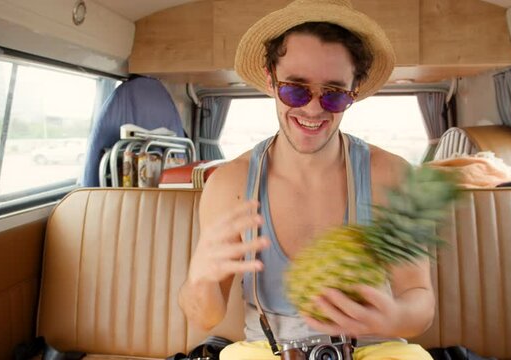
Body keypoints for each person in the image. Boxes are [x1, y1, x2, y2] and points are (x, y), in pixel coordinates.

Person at [178, 0, 435, 358]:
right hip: (266, 350)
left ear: (354, 91)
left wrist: (392, 317)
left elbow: (419, 301)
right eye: (295, 89)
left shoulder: (393, 176)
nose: (313, 109)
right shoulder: (229, 185)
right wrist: (200, 279)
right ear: (270, 80)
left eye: (334, 94)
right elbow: (204, 316)